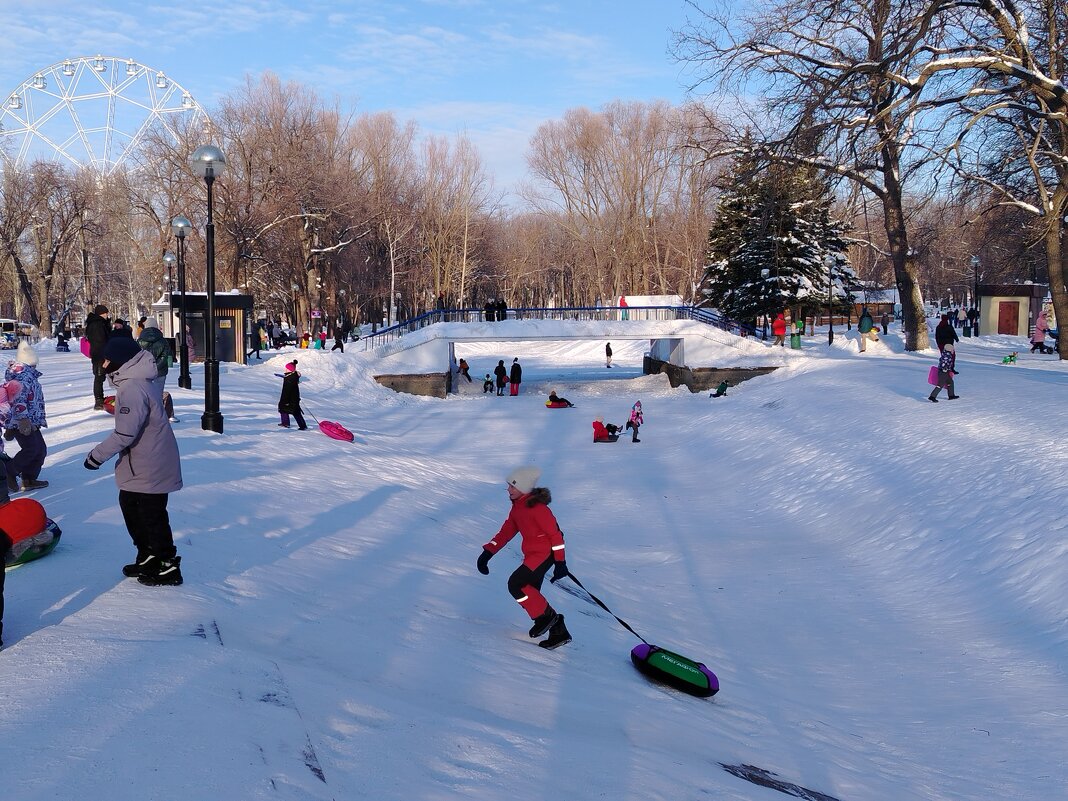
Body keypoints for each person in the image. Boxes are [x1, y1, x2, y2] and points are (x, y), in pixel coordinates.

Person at [83, 335, 184, 586]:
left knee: (151, 514)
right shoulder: (134, 382)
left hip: (150, 463)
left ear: (119, 361)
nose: (103, 365)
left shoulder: (132, 388)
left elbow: (125, 433)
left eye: (107, 360)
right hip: (144, 461)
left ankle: (166, 564)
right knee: (131, 505)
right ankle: (148, 554)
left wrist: (96, 456)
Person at [476, 466, 572, 650]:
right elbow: (505, 533)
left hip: (545, 554)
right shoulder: (517, 509)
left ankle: (548, 619)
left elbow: (556, 536)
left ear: (525, 488)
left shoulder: (538, 508)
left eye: (513, 486)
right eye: (508, 486)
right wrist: (487, 552)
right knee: (528, 590)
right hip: (533, 554)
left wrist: (560, 562)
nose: (509, 489)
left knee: (516, 584)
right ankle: (558, 632)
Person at [4, 341, 49, 492]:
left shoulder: (27, 375)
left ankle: (29, 478)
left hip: (31, 421)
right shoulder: (23, 376)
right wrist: (23, 420)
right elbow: (17, 399)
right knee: (32, 449)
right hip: (22, 422)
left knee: (40, 449)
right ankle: (10, 471)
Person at [136, 317, 177, 422]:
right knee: (158, 394)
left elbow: (136, 356)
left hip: (144, 371)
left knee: (145, 393)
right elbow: (166, 356)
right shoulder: (163, 341)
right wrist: (157, 366)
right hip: (160, 372)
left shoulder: (140, 340)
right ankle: (157, 416)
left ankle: (145, 415)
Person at [85, 304, 111, 410]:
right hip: (100, 355)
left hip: (97, 354)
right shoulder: (98, 324)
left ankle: (99, 399)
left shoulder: (96, 323)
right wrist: (106, 357)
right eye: (105, 313)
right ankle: (98, 400)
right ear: (101, 314)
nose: (107, 315)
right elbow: (101, 342)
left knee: (99, 376)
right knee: (99, 376)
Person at [277, 361, 308, 430]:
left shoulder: (290, 379)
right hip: (293, 398)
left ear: (290, 370)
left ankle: (302, 426)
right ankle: (286, 423)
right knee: (285, 409)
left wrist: (285, 400)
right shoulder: (291, 376)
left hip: (290, 398)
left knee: (293, 411)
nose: (285, 369)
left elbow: (287, 391)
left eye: (286, 368)